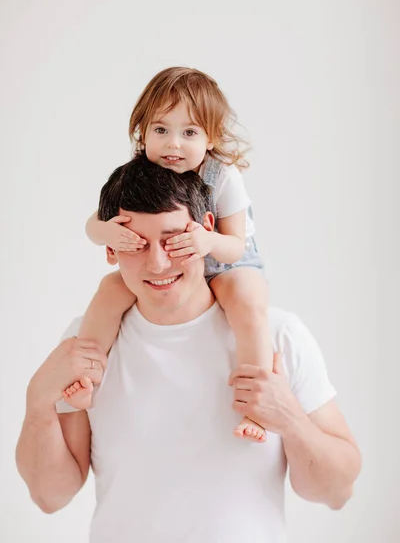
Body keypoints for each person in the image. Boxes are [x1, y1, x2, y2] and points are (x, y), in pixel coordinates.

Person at [16, 155, 361, 543]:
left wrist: (290, 420)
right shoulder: (89, 343)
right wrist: (37, 403)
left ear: (207, 230)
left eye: (173, 239)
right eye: (136, 244)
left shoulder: (275, 336)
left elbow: (337, 491)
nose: (159, 263)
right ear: (110, 249)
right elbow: (50, 496)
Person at [62, 66, 271, 442]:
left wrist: (206, 242)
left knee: (245, 297)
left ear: (211, 138)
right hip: (168, 261)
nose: (173, 144)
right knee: (110, 290)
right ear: (143, 133)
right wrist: (106, 230)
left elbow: (236, 244)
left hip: (224, 258)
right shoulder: (142, 174)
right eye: (161, 130)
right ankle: (87, 374)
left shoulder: (222, 177)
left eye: (189, 132)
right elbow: (92, 226)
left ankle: (257, 402)